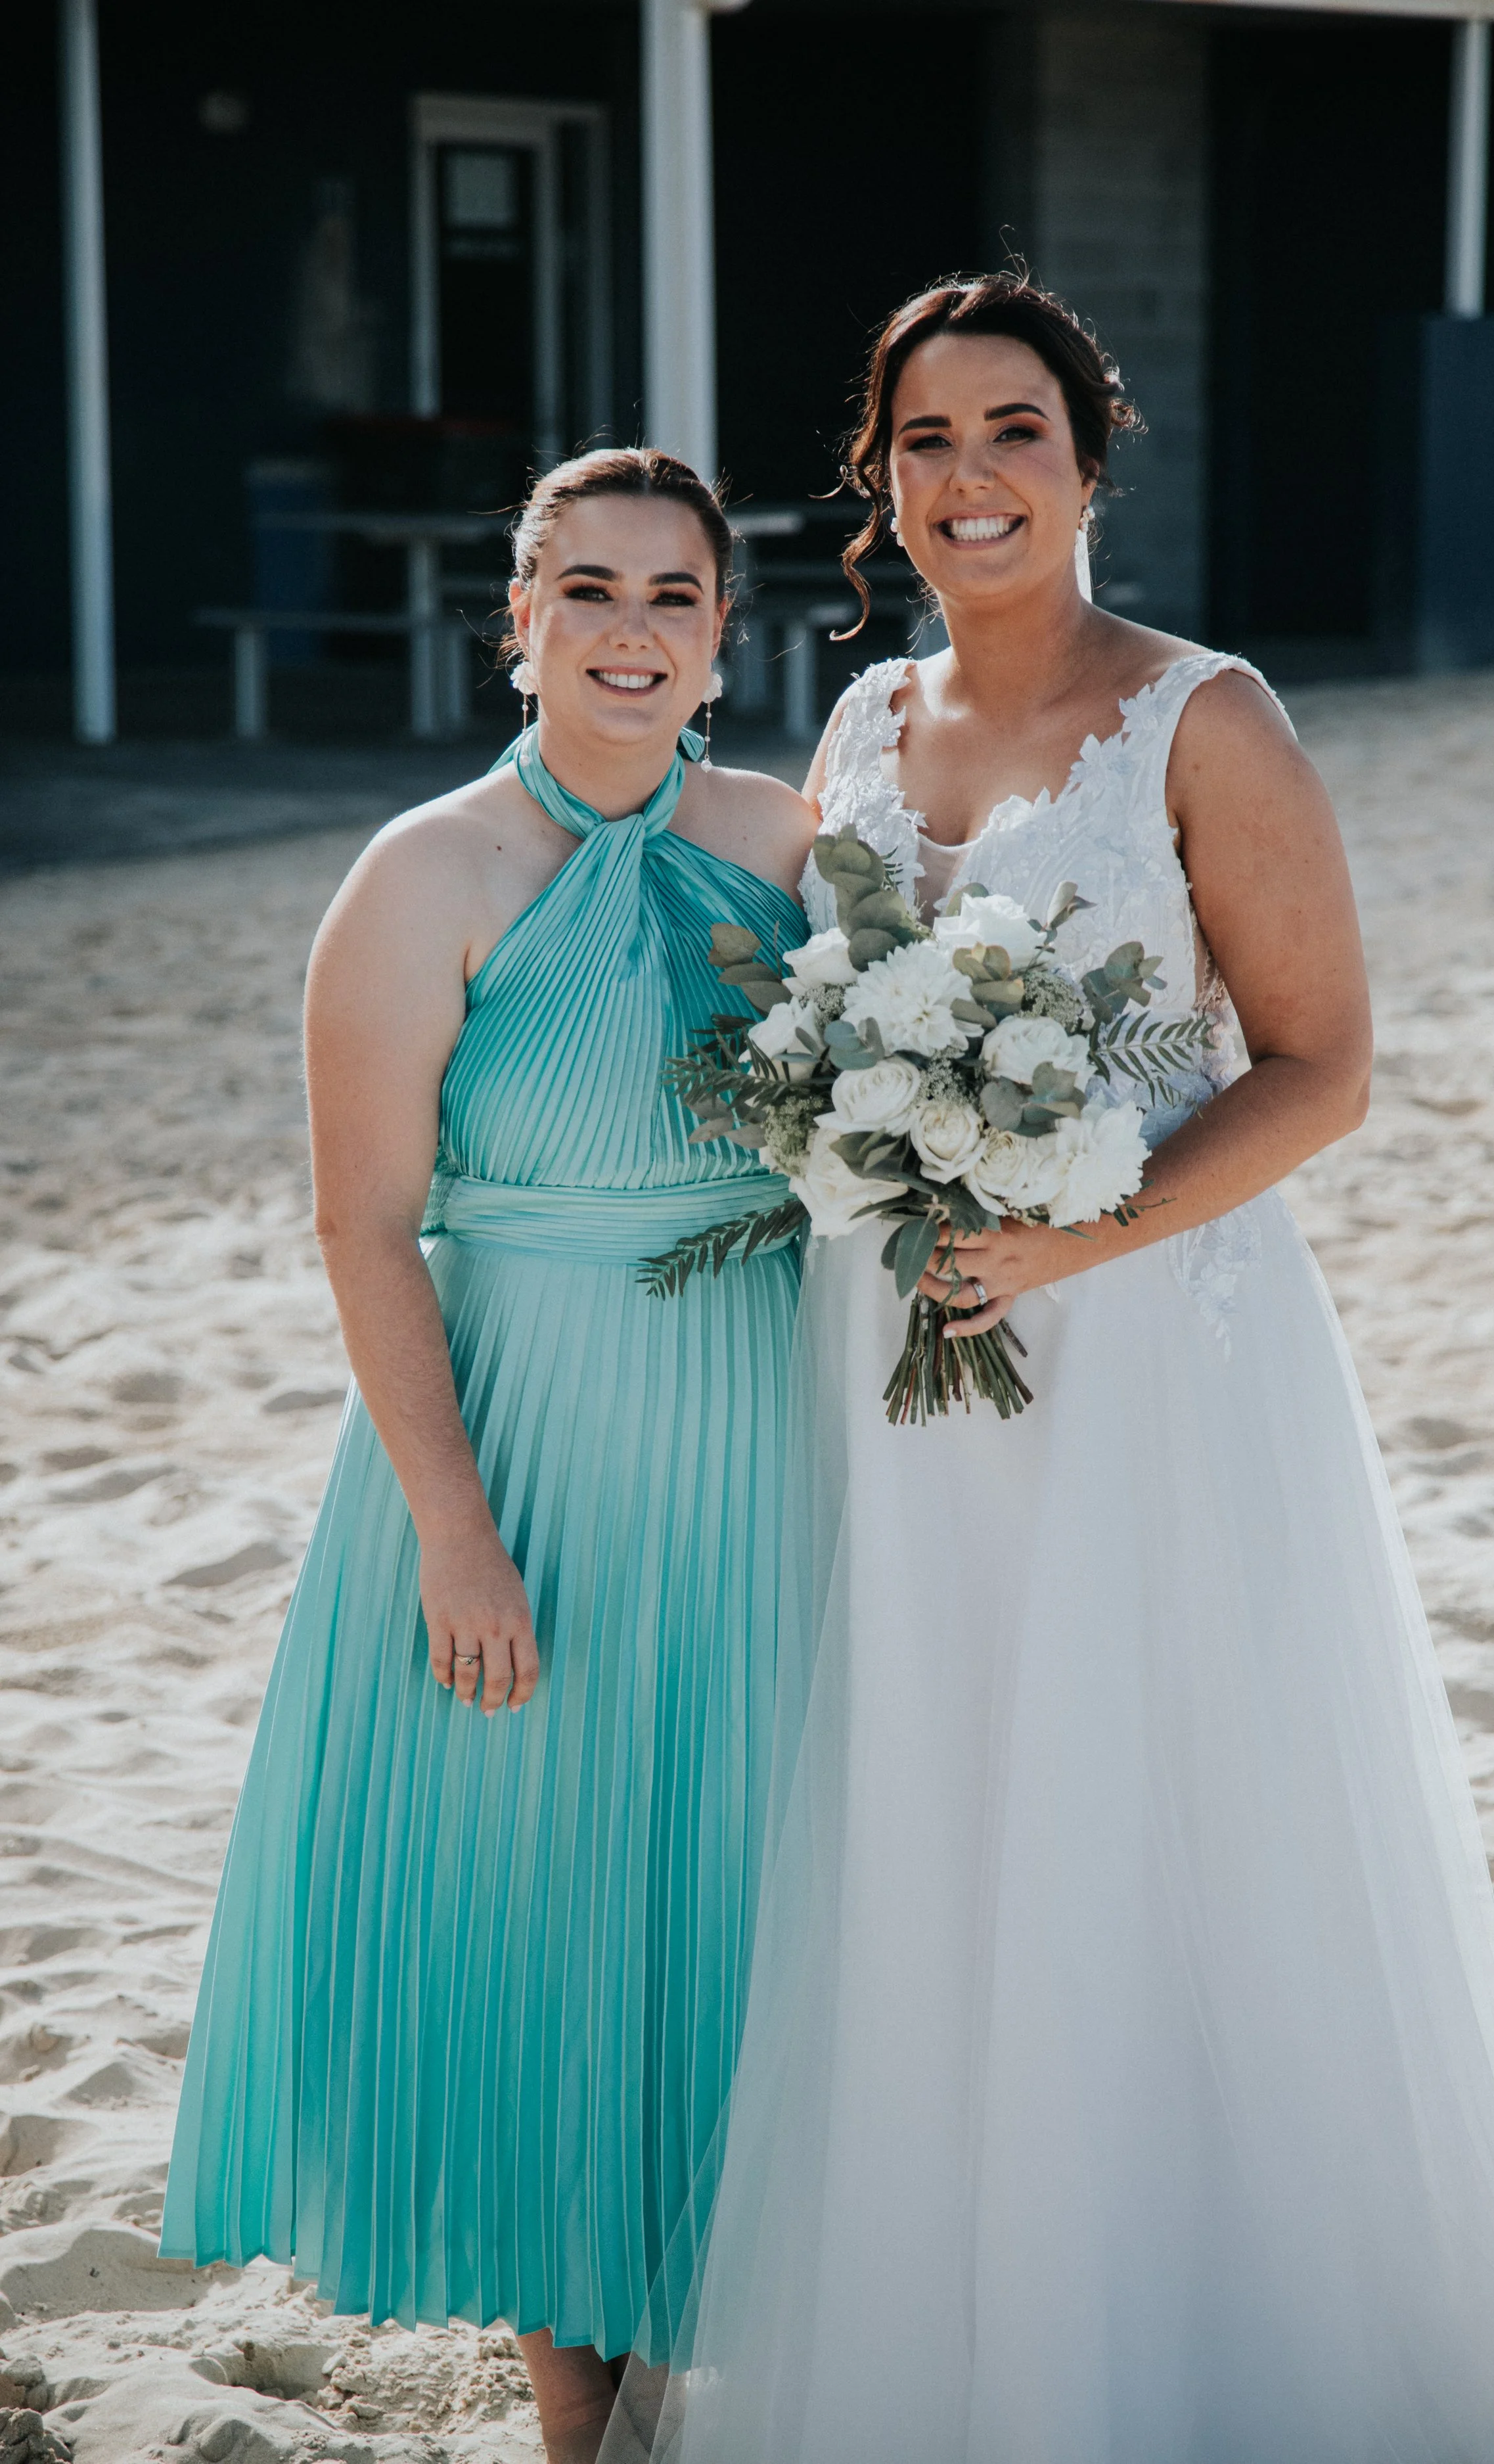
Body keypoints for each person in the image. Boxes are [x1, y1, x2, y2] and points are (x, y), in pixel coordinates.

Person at [607, 277, 1494, 2463]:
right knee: (934, 1801)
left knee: (1165, 1801)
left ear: (1088, 458)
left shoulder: (1202, 716)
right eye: (927, 438)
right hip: (899, 1357)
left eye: (1014, 432)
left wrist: (1082, 1224)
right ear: (880, 478)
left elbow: (1321, 1064)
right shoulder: (855, 728)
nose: (969, 476)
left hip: (1156, 1354)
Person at [158, 448, 815, 2464]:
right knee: (545, 1902)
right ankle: (572, 2406)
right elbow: (365, 1225)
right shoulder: (421, 875)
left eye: (674, 597)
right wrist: (456, 1528)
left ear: (722, 634)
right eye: (590, 592)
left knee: (741, 1886)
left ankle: (720, 2335)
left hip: (765, 1432)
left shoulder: (798, 846)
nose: (632, 632)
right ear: (514, 622)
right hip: (518, 1443)